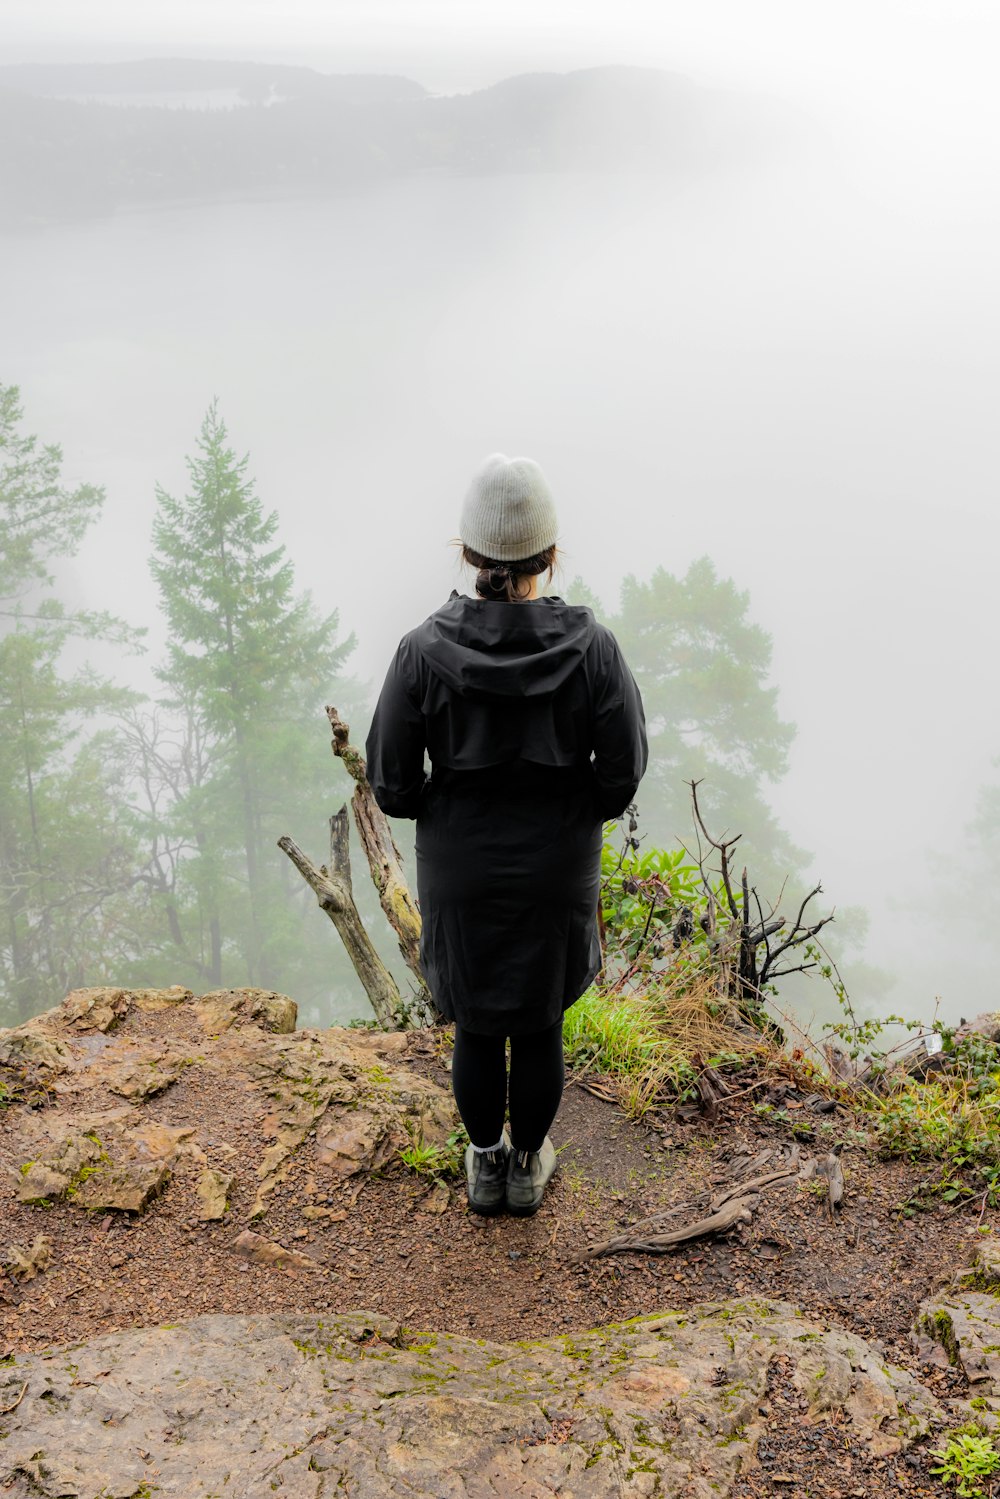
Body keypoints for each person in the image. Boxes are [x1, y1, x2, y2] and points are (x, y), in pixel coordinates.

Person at [365, 454, 647, 1217]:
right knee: (540, 1016)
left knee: (480, 1023)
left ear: (468, 553)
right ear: (549, 557)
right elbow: (621, 774)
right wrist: (566, 811)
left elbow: (390, 784)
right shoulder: (592, 650)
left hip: (460, 867)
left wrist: (450, 810)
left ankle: (485, 1165)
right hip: (557, 867)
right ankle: (528, 1165)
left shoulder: (422, 651)